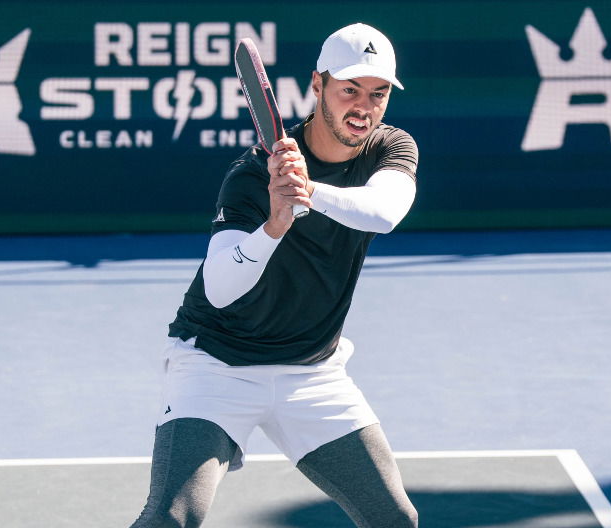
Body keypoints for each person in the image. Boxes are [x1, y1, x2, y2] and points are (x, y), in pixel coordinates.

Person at [131, 23, 419, 528]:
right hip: (216, 366)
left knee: (394, 518)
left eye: (377, 94)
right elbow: (220, 289)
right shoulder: (250, 176)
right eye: (349, 89)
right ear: (318, 85)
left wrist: (307, 190)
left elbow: (384, 213)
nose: (363, 106)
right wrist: (274, 223)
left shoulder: (389, 149)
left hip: (312, 374)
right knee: (171, 520)